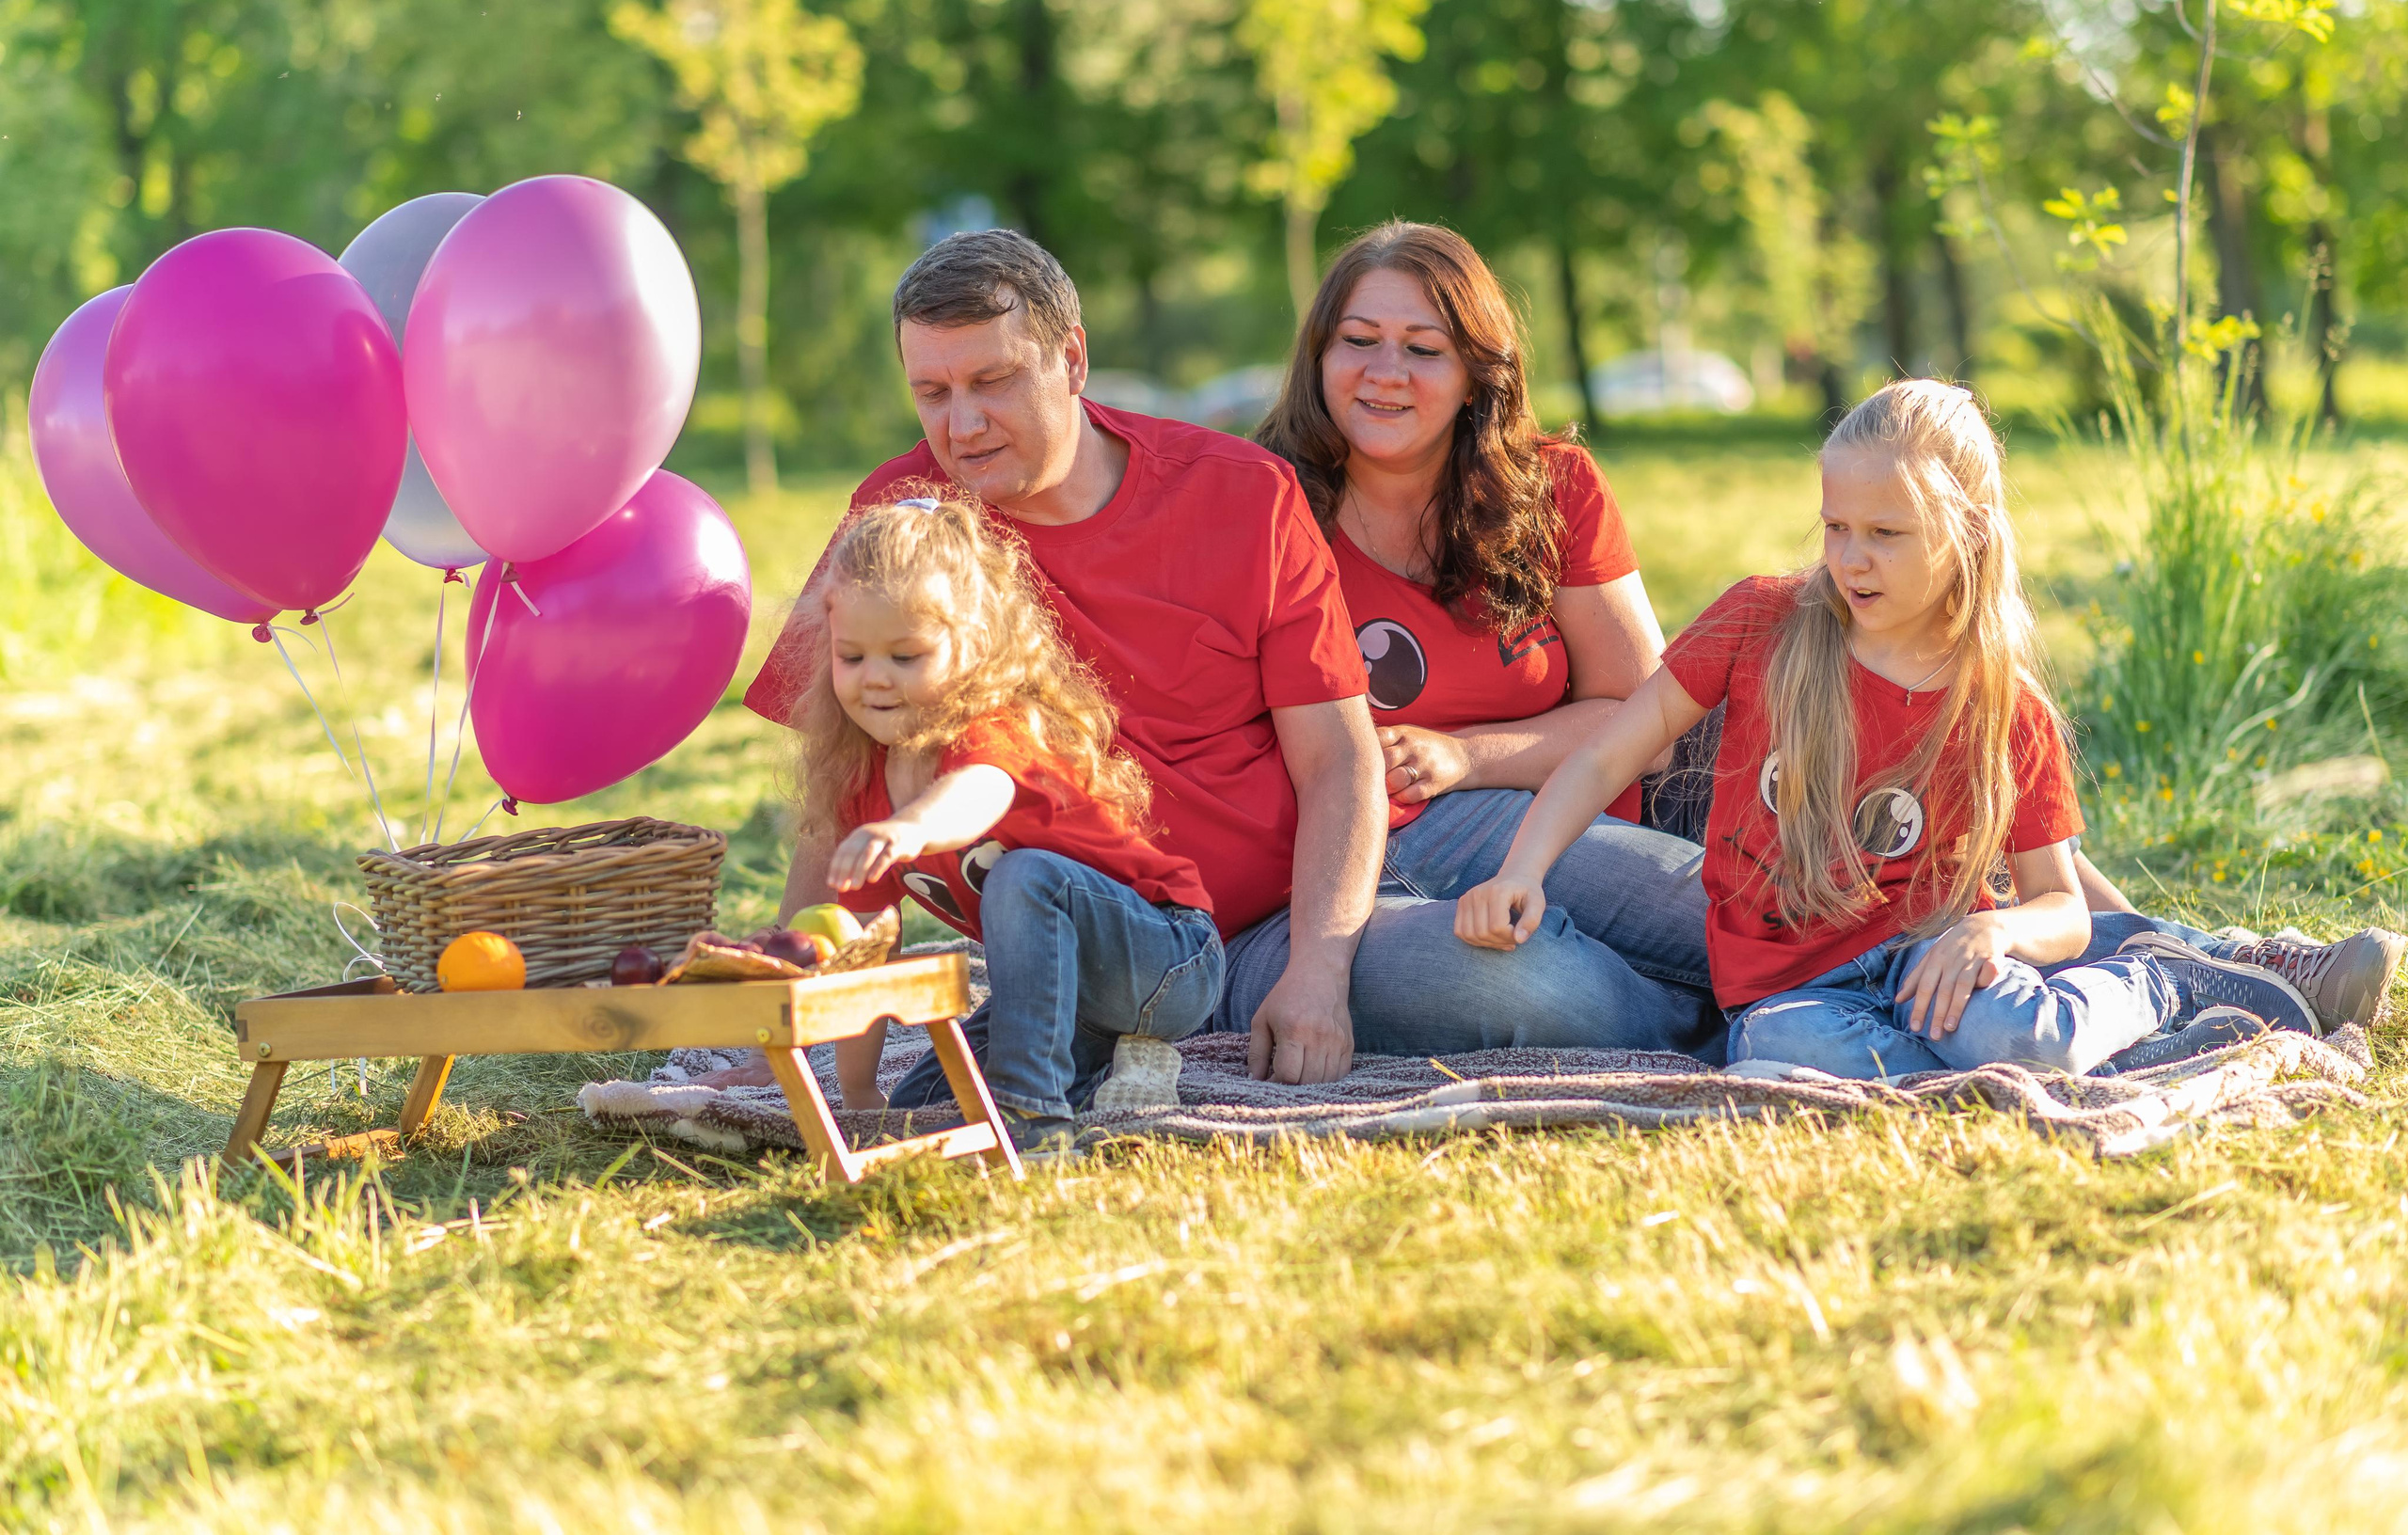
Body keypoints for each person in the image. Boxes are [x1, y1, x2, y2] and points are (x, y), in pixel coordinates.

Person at [1456, 378, 2400, 1077]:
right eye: (1834, 528)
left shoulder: (2001, 705)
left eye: (1885, 534)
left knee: (2011, 1036)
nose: (1850, 561)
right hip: (1791, 994)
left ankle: (2167, 982)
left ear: (1967, 536)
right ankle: (2132, 1048)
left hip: (1929, 956)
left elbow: (2060, 906)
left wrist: (1992, 941)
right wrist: (1520, 869)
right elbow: (1609, 751)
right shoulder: (1762, 621)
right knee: (1781, 1060)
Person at [728, 229, 1386, 1092]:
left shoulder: (1244, 493)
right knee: (939, 1104)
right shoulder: (901, 517)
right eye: (931, 392)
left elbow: (1339, 759)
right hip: (1066, 958)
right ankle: (1093, 1063)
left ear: (1071, 360)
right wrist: (783, 1033)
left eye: (993, 382)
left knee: (1527, 987)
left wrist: (1317, 976)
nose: (960, 426)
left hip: (1274, 925)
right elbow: (838, 781)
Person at [1238, 221, 1722, 1058]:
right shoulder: (1259, 505)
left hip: (1545, 815)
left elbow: (1645, 724)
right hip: (1358, 846)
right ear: (1318, 358)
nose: (1385, 373)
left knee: (1718, 913)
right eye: (1358, 341)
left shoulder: (1553, 486)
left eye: (1424, 350)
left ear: (1474, 376)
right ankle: (1718, 1027)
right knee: (1532, 985)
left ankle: (1941, 975)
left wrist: (1464, 757)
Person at [793, 498, 1221, 1153]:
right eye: (852, 657)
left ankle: (1035, 1122)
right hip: (1068, 993)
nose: (875, 679)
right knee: (927, 1109)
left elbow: (981, 792)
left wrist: (912, 829)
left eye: (906, 657)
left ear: (974, 649)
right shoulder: (866, 787)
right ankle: (1119, 1069)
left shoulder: (996, 728)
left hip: (1167, 958)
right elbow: (864, 954)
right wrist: (859, 1098)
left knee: (1024, 876)